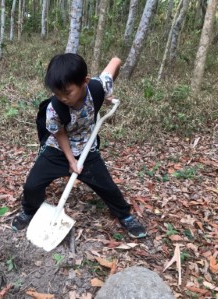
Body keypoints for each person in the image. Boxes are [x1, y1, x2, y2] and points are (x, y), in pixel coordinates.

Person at [12, 53, 147, 239]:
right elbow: (59, 133)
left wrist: (107, 93)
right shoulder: (54, 108)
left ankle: (125, 215)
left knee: (107, 187)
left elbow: (116, 60)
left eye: (67, 93)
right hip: (57, 149)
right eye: (57, 93)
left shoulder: (97, 87)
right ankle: (29, 210)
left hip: (86, 148)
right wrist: (71, 160)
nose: (63, 98)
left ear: (85, 81)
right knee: (32, 186)